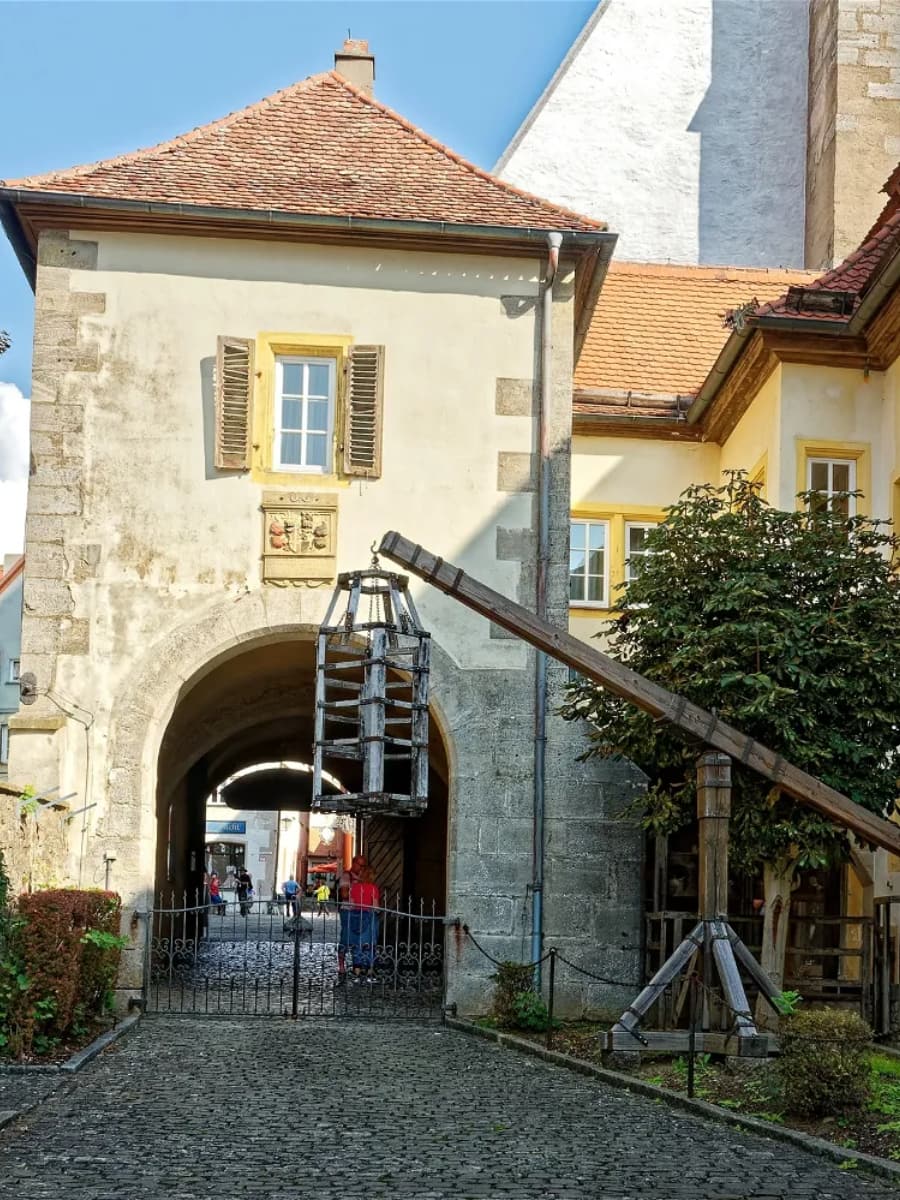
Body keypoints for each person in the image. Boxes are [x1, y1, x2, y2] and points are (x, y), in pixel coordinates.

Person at [336, 855, 366, 983]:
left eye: (363, 865)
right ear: (354, 863)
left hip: (360, 910)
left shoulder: (363, 878)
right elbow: (343, 894)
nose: (362, 868)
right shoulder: (346, 876)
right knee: (346, 937)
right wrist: (357, 891)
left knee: (358, 938)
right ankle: (341, 965)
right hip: (348, 910)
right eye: (360, 865)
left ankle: (356, 965)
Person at [348, 866, 380, 981]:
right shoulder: (373, 888)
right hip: (368, 916)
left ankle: (357, 969)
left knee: (357, 943)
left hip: (355, 916)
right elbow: (375, 907)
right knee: (370, 943)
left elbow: (351, 905)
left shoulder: (354, 887)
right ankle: (369, 969)